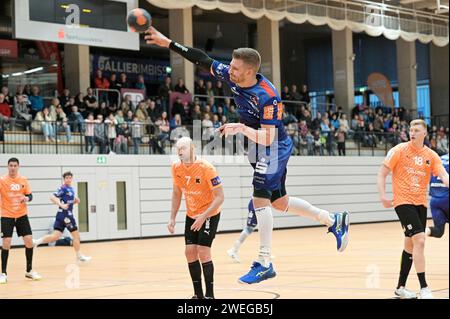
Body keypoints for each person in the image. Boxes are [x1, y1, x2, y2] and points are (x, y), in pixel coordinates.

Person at [145, 26, 349, 285]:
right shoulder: (232, 76)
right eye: (230, 66)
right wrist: (168, 43)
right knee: (278, 202)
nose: (229, 70)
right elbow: (202, 59)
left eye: (235, 68)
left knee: (259, 198)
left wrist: (240, 127)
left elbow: (268, 138)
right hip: (256, 146)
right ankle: (332, 219)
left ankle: (265, 262)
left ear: (250, 71)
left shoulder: (268, 97)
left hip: (273, 146)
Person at [377, 119, 449, 299]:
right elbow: (382, 173)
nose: (412, 132)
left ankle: (400, 287)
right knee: (420, 240)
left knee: (410, 244)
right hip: (403, 201)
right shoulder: (399, 150)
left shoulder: (431, 155)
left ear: (424, 133)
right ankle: (424, 287)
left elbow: (443, 175)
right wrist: (383, 196)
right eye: (410, 130)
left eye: (416, 130)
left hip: (420, 203)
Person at [169, 137, 224, 299]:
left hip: (209, 213)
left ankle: (210, 295)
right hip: (192, 214)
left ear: (192, 148)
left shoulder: (207, 168)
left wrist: (203, 216)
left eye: (183, 148)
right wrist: (172, 217)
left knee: (203, 251)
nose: (180, 151)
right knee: (189, 252)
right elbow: (177, 193)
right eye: (178, 148)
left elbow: (220, 197)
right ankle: (198, 294)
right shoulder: (176, 168)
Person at [33, 172, 91, 262]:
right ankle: (79, 256)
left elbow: (69, 201)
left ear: (72, 179)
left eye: (70, 178)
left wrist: (76, 201)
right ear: (64, 179)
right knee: (76, 236)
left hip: (61, 216)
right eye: (67, 178)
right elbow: (52, 197)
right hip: (66, 216)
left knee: (55, 236)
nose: (68, 179)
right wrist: (61, 204)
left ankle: (36, 242)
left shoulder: (71, 189)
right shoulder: (63, 188)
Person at [0, 158, 42, 284]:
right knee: (6, 242)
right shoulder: (2, 180)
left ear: (18, 166)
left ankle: (29, 270)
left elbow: (30, 195)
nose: (12, 167)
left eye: (15, 165)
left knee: (29, 241)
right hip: (7, 215)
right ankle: (3, 273)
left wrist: (27, 198)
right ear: (7, 166)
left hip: (22, 215)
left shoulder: (24, 180)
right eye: (10, 165)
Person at [426, 153, 449, 239]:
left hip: (434, 201)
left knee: (438, 231)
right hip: (447, 198)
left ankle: (421, 233)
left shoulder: (438, 158)